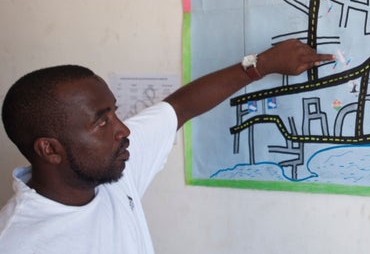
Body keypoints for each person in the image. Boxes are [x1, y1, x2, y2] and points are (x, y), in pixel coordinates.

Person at [0, 39, 334, 253]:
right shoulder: (20, 242)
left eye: (115, 113)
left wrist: (262, 65)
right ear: (49, 150)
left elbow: (180, 108)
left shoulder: (111, 174)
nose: (123, 130)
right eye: (102, 122)